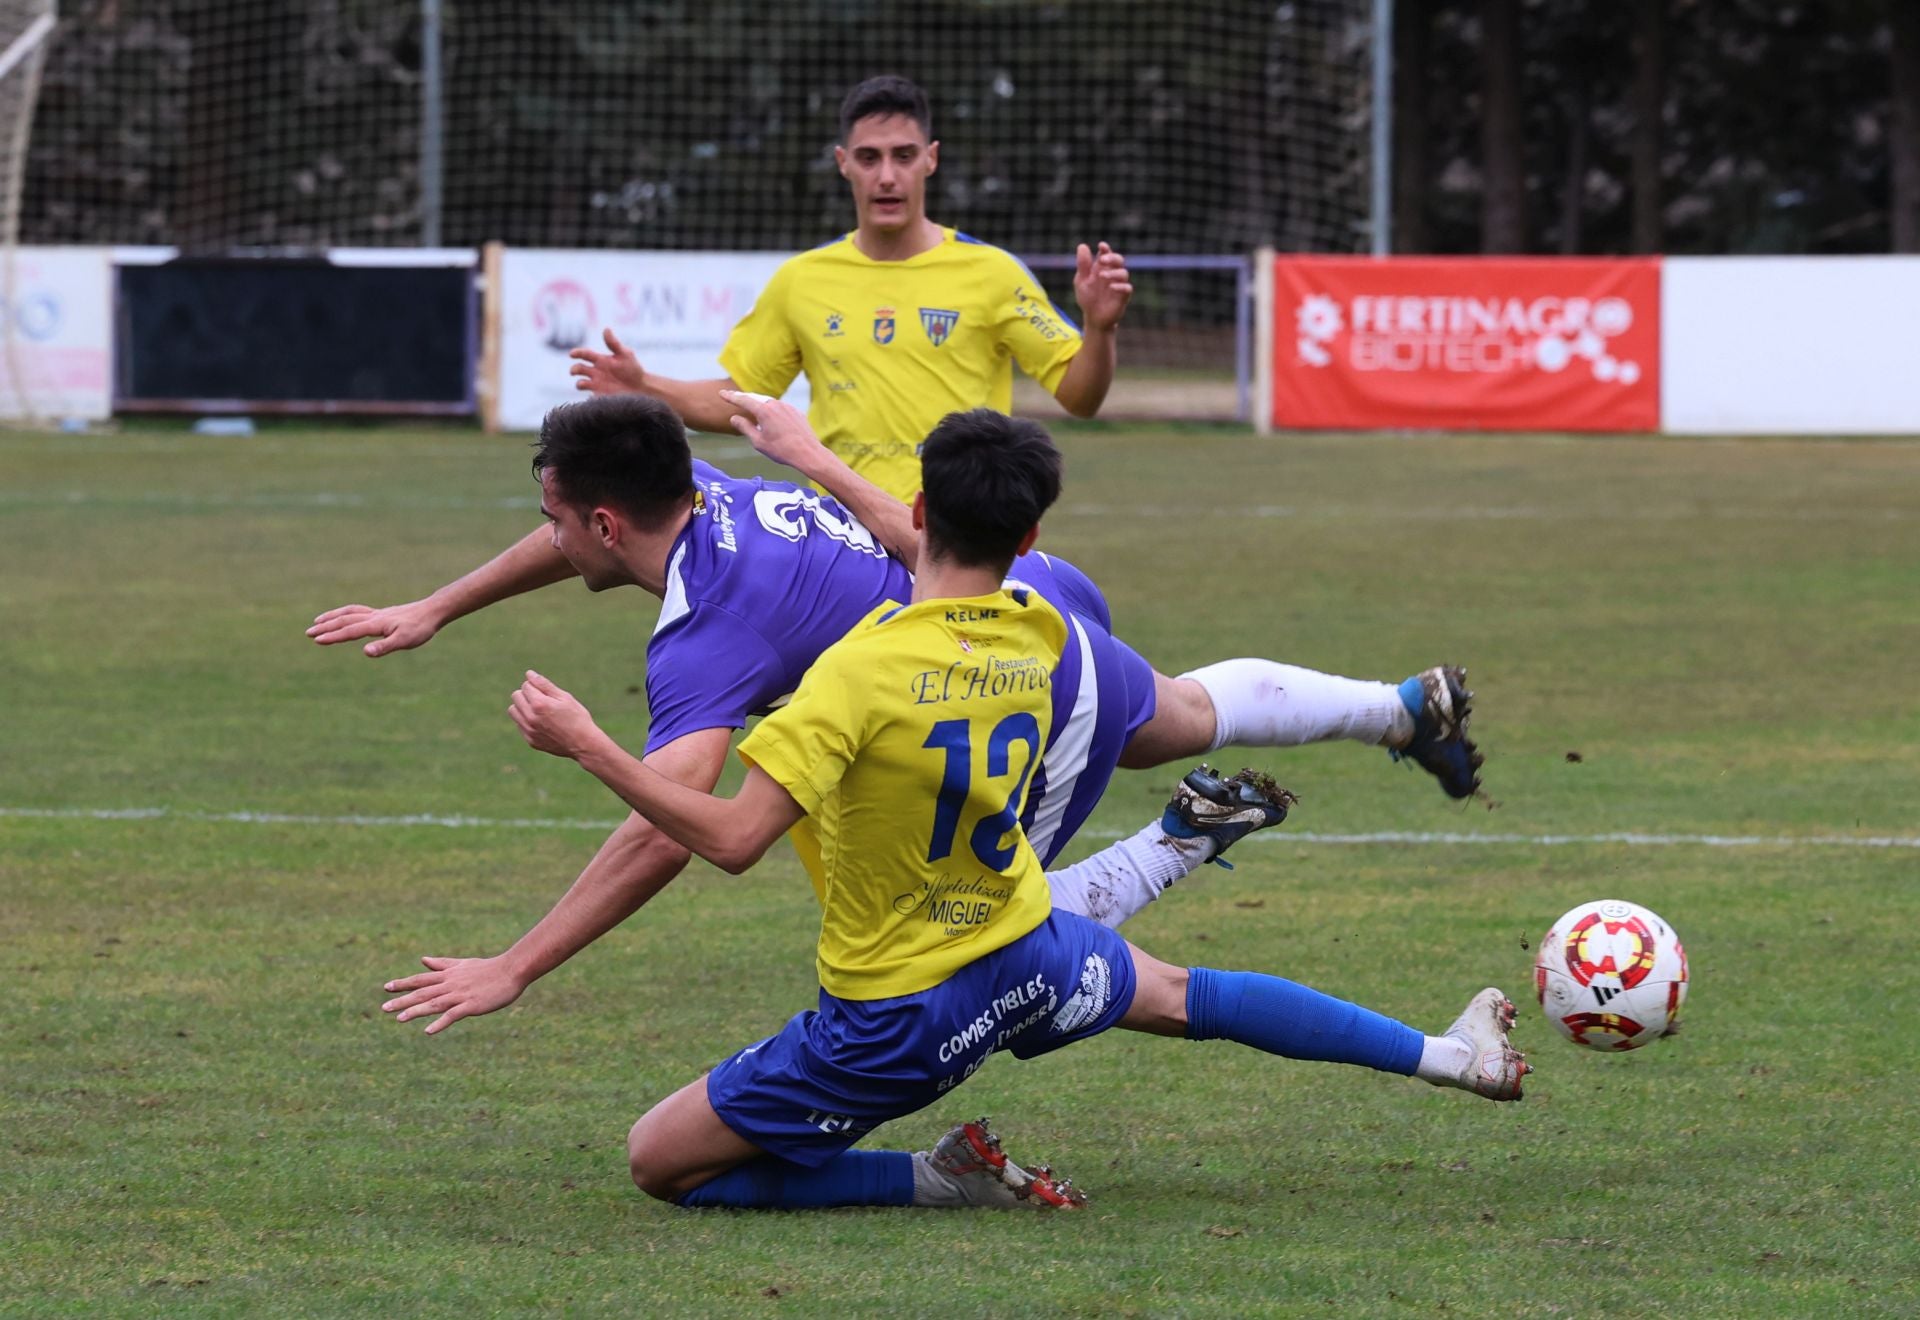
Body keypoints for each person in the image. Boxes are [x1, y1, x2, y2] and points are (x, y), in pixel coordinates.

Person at [501, 408, 1529, 1211]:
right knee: (1187, 996)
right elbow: (931, 558)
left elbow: (726, 840)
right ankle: (1452, 1057)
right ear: (1031, 536)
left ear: (918, 506)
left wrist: (591, 743)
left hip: (892, 1020)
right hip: (1020, 949)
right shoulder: (1042, 629)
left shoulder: (851, 677)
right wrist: (820, 464)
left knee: (658, 1163)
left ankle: (934, 1176)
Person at [334, 395, 1481, 1035]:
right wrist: (439, 605)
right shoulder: (708, 490)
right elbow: (570, 527)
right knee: (1178, 712)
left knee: (984, 958)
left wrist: (516, 965)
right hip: (1025, 599)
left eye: (554, 516)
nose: (546, 532)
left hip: (981, 678)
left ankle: (1176, 843)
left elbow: (665, 832)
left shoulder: (707, 631)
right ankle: (1397, 710)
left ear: (603, 521)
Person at [563, 73, 1134, 504]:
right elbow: (742, 396)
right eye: (869, 158)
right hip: (843, 534)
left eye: (903, 156)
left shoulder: (993, 274)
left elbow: (1079, 397)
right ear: (844, 164)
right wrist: (647, 386)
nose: (887, 175)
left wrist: (1100, 329)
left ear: (929, 161)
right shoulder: (802, 280)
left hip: (960, 532)